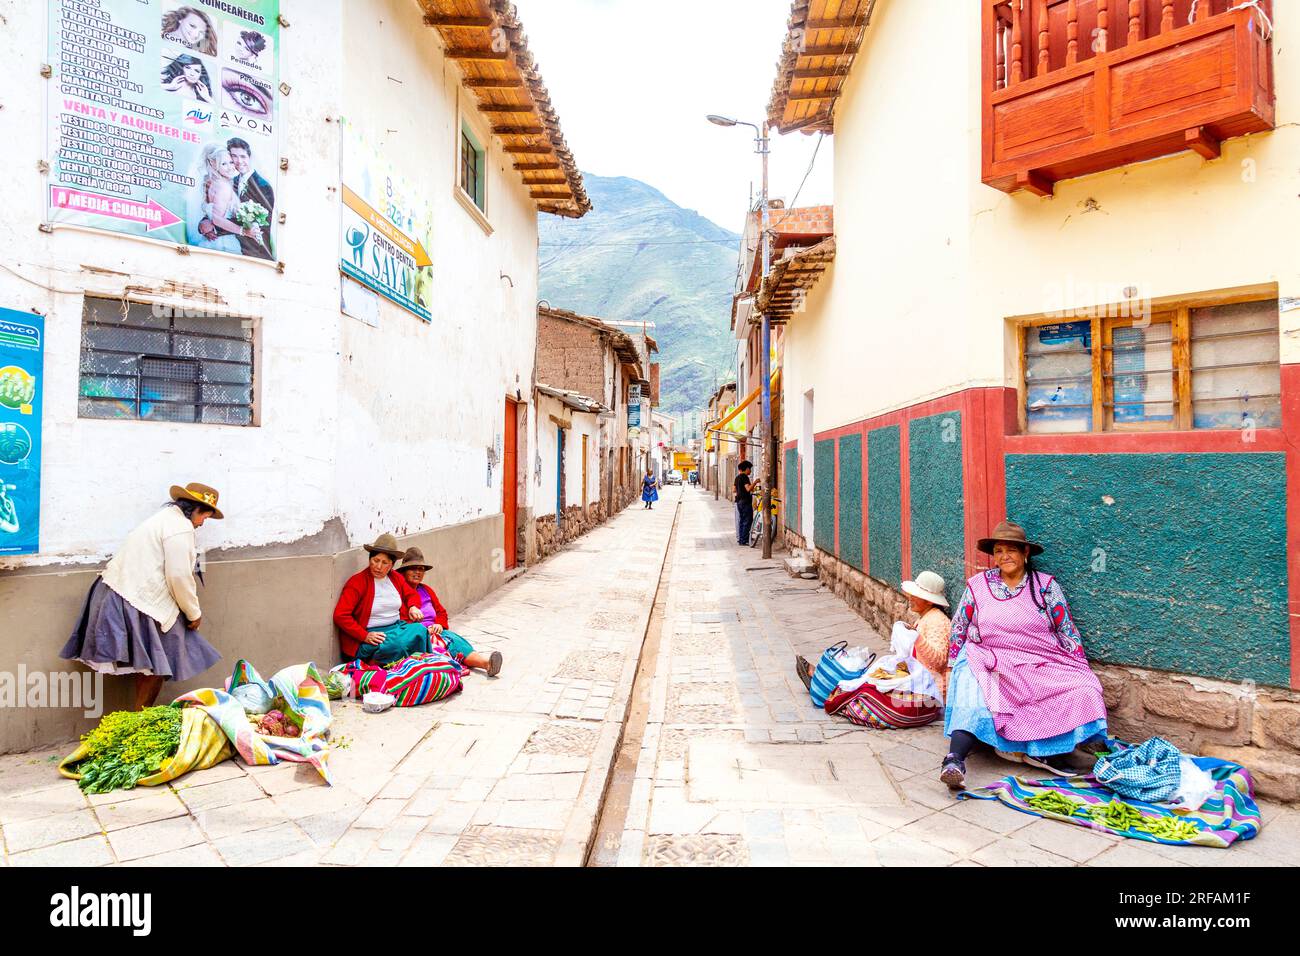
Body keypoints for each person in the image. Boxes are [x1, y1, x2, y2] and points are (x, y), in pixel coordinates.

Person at [939, 520, 1108, 791]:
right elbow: (959, 627)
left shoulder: (1044, 586)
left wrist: (1080, 665)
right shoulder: (978, 586)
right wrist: (950, 668)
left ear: (1025, 553)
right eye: (998, 551)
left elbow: (1066, 629)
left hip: (1040, 659)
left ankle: (1048, 750)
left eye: (1011, 550)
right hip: (989, 658)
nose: (1004, 556)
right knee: (975, 689)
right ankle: (954, 759)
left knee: (1084, 688)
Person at [61, 483, 224, 710]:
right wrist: (194, 613)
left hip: (118, 591)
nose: (201, 524)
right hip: (133, 597)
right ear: (195, 509)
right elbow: (178, 576)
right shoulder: (180, 527)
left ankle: (139, 717)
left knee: (152, 662)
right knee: (160, 661)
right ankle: (141, 716)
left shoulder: (165, 519)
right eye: (204, 517)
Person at [795, 569, 952, 698]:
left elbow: (938, 660)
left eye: (916, 596)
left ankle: (828, 689)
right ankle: (823, 683)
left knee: (870, 688)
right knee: (872, 673)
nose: (910, 598)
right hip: (916, 677)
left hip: (927, 687)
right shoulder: (926, 618)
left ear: (929, 601)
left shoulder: (938, 621)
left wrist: (916, 638)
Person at [397, 548, 503, 676]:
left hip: (436, 630)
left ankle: (487, 663)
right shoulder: (399, 594)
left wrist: (439, 624)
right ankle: (485, 664)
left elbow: (441, 612)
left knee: (454, 639)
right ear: (403, 571)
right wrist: (423, 630)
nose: (418, 572)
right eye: (413, 568)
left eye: (421, 569)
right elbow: (401, 621)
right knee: (448, 644)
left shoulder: (426, 590)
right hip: (418, 636)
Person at [333, 533, 430, 666]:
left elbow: (411, 594)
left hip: (396, 629)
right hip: (370, 636)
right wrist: (364, 636)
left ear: (391, 565)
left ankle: (418, 666)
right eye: (375, 560)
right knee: (397, 645)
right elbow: (340, 615)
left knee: (420, 630)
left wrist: (413, 606)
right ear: (369, 559)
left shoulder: (396, 578)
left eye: (385, 563)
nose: (378, 566)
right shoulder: (357, 582)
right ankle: (383, 669)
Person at [191, 144, 259, 254]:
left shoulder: (213, 183)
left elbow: (212, 212)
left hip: (216, 241)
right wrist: (244, 231)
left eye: (231, 162)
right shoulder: (223, 186)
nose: (230, 167)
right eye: (224, 164)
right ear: (214, 164)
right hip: (224, 244)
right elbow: (217, 219)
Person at [227, 137, 274, 259]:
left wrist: (216, 227)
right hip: (235, 249)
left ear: (249, 157)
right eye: (234, 156)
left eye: (242, 157)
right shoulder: (232, 181)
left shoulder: (263, 186)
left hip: (256, 252)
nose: (238, 161)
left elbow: (263, 225)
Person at [734, 460, 758, 545]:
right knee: (747, 520)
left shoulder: (737, 477)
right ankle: (744, 540)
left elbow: (734, 490)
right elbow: (748, 489)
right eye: (750, 469)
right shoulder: (744, 477)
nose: (750, 471)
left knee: (742, 520)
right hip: (745, 502)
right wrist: (755, 482)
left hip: (739, 502)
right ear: (746, 468)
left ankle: (741, 539)